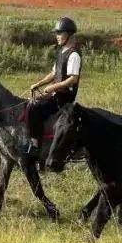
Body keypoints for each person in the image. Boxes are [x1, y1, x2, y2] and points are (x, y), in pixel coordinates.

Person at [26, 17, 81, 157]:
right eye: (56, 33)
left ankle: (35, 146)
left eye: (60, 33)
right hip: (56, 94)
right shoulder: (61, 52)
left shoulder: (74, 54)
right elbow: (53, 73)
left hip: (64, 98)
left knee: (34, 108)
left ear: (69, 34)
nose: (57, 36)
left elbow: (73, 80)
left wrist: (52, 88)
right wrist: (38, 84)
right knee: (30, 102)